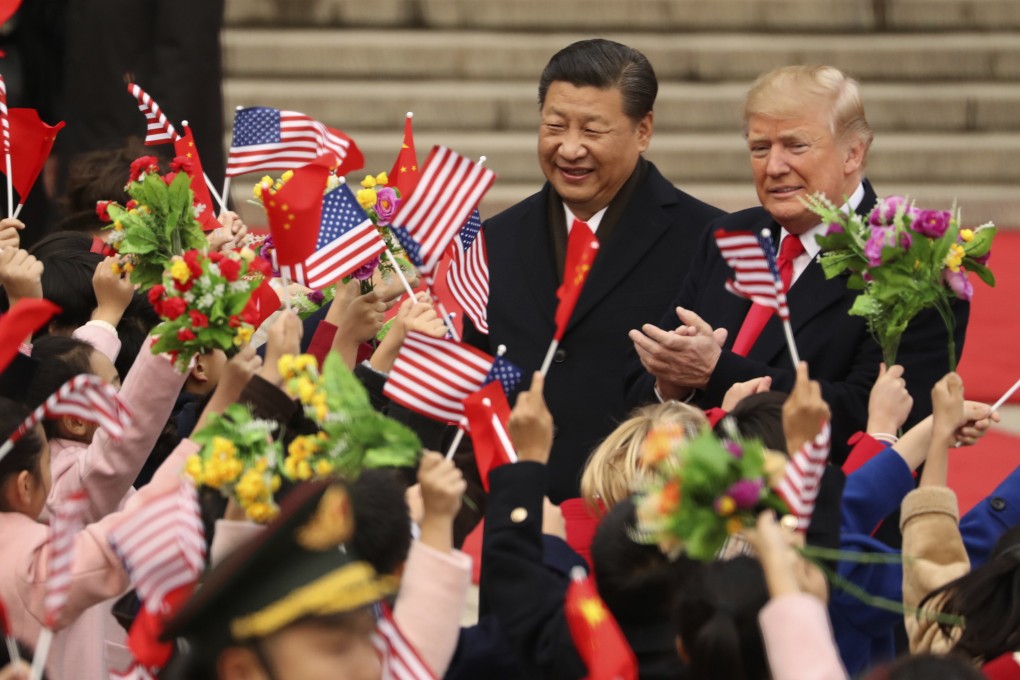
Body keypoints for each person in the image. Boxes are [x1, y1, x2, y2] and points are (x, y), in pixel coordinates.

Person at [627, 65, 968, 463]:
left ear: (853, 153)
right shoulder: (729, 236)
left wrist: (715, 371)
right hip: (693, 488)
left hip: (824, 497)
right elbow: (639, 386)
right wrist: (672, 386)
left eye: (796, 146)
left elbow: (877, 417)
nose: (773, 167)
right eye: (760, 148)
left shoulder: (915, 263)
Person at [462, 38, 724, 503]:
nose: (569, 148)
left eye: (592, 131)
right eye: (554, 126)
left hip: (640, 510)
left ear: (643, 131)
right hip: (509, 504)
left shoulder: (707, 239)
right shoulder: (493, 240)